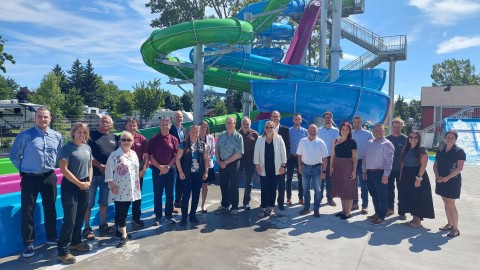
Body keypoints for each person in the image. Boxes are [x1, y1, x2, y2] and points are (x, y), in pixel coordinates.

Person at [9, 107, 63, 258]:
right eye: (40, 117)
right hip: (30, 178)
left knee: (50, 208)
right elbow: (14, 155)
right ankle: (29, 244)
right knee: (28, 210)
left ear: (50, 119)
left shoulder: (57, 136)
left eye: (45, 117)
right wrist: (24, 169)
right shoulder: (25, 136)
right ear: (35, 118)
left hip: (49, 176)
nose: (43, 119)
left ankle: (51, 238)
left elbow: (58, 154)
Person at [57, 122, 92, 264]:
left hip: (84, 186)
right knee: (69, 219)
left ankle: (76, 241)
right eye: (79, 132)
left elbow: (90, 165)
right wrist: (79, 183)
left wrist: (88, 180)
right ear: (73, 133)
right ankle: (63, 251)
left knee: (79, 217)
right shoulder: (67, 148)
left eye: (84, 132)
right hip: (71, 187)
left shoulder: (87, 147)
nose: (82, 135)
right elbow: (63, 169)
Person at [84, 115, 118, 240]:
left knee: (104, 202)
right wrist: (99, 165)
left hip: (107, 176)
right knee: (88, 203)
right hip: (92, 175)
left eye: (107, 122)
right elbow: (87, 154)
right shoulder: (91, 136)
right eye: (102, 121)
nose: (104, 123)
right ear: (99, 123)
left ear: (111, 124)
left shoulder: (114, 137)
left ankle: (102, 224)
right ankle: (87, 228)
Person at [105, 131, 141, 248]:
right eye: (124, 140)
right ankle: (124, 235)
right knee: (121, 211)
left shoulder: (134, 154)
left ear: (132, 142)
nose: (126, 142)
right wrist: (112, 185)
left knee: (124, 211)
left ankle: (119, 230)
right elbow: (108, 171)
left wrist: (136, 186)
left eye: (128, 140)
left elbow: (135, 171)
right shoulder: (115, 155)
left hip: (131, 189)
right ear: (120, 141)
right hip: (119, 188)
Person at [399, 130, 435, 228]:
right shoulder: (406, 148)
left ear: (418, 139)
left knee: (417, 198)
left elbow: (423, 165)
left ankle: (418, 221)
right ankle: (414, 219)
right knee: (410, 198)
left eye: (415, 137)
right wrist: (401, 176)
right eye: (411, 137)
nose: (413, 139)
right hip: (406, 175)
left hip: (417, 175)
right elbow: (402, 163)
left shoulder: (421, 149)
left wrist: (418, 178)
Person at [176, 125, 210, 226]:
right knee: (186, 196)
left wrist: (206, 171)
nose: (195, 134)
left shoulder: (203, 145)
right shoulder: (183, 145)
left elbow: (206, 159)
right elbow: (177, 159)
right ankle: (183, 217)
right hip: (187, 175)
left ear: (199, 133)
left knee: (196, 195)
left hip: (198, 175)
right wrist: (181, 172)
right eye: (193, 132)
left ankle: (193, 215)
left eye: (197, 132)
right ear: (189, 132)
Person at [434, 130, 466, 237]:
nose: (449, 139)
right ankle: (449, 224)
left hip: (452, 181)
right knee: (445, 202)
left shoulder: (459, 151)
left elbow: (459, 168)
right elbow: (435, 165)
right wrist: (438, 177)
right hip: (441, 180)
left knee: (451, 204)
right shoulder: (441, 150)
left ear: (455, 139)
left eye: (451, 138)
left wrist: (447, 178)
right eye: (447, 137)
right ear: (445, 138)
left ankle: (455, 228)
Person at [362, 123, 395, 225]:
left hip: (380, 173)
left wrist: (386, 175)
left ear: (383, 131)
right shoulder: (369, 143)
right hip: (370, 173)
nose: (377, 133)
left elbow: (389, 161)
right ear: (373, 131)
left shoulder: (387, 144)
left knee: (382, 196)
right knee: (373, 194)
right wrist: (364, 170)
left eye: (380, 130)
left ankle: (381, 216)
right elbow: (365, 157)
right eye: (375, 130)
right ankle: (377, 213)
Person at [254, 121, 287, 218]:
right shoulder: (260, 139)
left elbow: (283, 154)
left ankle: (271, 208)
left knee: (273, 189)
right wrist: (257, 167)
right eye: (267, 127)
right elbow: (256, 155)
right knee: (264, 189)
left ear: (273, 128)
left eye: (271, 127)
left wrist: (282, 166)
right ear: (265, 128)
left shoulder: (279, 139)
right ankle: (264, 209)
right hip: (264, 169)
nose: (269, 129)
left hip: (275, 169)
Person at [149, 117, 179, 225]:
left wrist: (168, 167)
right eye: (162, 124)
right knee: (158, 194)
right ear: (159, 125)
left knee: (170, 193)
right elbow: (151, 157)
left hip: (171, 171)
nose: (165, 126)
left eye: (167, 124)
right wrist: (160, 167)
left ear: (170, 126)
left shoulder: (174, 139)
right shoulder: (153, 139)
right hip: (157, 171)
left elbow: (176, 156)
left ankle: (169, 216)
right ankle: (158, 217)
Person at [214, 116, 244, 219]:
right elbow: (216, 149)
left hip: (233, 164)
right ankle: (225, 204)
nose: (228, 124)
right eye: (227, 123)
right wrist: (219, 161)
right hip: (222, 163)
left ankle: (235, 207)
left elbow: (239, 153)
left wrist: (226, 162)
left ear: (235, 124)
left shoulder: (238, 137)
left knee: (234, 186)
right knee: (223, 185)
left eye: (231, 123)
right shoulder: (221, 135)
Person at [297, 124, 328, 218]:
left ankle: (316, 209)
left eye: (314, 130)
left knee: (317, 190)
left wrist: (324, 171)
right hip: (305, 168)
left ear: (317, 131)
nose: (312, 132)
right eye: (310, 130)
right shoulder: (302, 141)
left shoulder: (321, 142)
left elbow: (325, 159)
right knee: (305, 189)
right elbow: (299, 155)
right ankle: (307, 208)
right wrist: (299, 166)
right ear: (308, 131)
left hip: (317, 169)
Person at [331, 122, 358, 219]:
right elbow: (333, 155)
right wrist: (331, 167)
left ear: (350, 131)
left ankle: (348, 213)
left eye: (347, 129)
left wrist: (354, 171)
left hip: (348, 166)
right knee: (342, 188)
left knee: (348, 189)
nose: (344, 131)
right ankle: (343, 210)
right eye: (343, 129)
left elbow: (355, 157)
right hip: (337, 166)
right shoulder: (335, 141)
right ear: (340, 130)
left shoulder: (352, 142)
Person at [126, 118, 149, 228]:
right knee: (124, 196)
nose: (132, 127)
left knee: (137, 195)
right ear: (126, 126)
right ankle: (120, 220)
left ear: (137, 127)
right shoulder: (121, 138)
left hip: (138, 170)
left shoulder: (142, 139)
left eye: (134, 125)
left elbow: (146, 156)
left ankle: (136, 218)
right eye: (130, 125)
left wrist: (144, 169)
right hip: (124, 172)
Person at [386, 118, 408, 219]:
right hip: (389, 170)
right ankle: (390, 209)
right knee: (389, 190)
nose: (396, 129)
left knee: (402, 190)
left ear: (401, 127)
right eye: (394, 127)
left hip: (401, 170)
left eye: (398, 127)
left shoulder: (406, 139)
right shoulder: (386, 139)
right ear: (392, 127)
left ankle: (402, 212)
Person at [351, 116, 373, 214]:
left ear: (362, 123)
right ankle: (355, 203)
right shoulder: (349, 134)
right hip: (351, 162)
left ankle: (365, 206)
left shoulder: (368, 134)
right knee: (353, 184)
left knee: (364, 184)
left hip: (363, 162)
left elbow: (372, 147)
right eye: (355, 122)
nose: (356, 124)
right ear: (353, 123)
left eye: (358, 122)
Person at [317, 111, 339, 206]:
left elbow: (338, 145)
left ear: (332, 119)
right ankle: (319, 198)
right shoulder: (318, 130)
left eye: (329, 117)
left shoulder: (336, 131)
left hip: (331, 157)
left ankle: (330, 198)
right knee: (320, 178)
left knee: (330, 179)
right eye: (326, 117)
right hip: (320, 157)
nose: (327, 119)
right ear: (323, 118)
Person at [270, 110, 291, 210]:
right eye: (273, 116)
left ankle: (281, 203)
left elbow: (288, 147)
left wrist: (284, 163)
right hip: (270, 163)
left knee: (281, 185)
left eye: (277, 116)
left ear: (280, 118)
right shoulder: (267, 130)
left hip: (281, 163)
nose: (275, 118)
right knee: (271, 185)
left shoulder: (285, 130)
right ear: (271, 118)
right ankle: (271, 203)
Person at [238, 116, 259, 210]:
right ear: (241, 124)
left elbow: (259, 148)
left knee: (249, 182)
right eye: (244, 123)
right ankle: (233, 201)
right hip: (239, 160)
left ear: (250, 124)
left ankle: (246, 202)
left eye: (247, 124)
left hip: (251, 161)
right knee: (235, 181)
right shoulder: (237, 134)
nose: (245, 125)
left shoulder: (255, 134)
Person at [287, 114, 308, 205]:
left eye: (299, 119)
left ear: (301, 121)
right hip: (291, 156)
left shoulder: (305, 132)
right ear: (293, 120)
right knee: (289, 178)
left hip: (301, 157)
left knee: (301, 178)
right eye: (295, 119)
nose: (297, 120)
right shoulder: (288, 131)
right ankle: (288, 198)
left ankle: (301, 197)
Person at [198, 121, 216, 213]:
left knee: (205, 185)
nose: (203, 128)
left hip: (208, 164)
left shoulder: (210, 138)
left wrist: (207, 157)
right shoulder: (195, 137)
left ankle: (203, 205)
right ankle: (194, 204)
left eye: (205, 127)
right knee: (196, 186)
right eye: (201, 127)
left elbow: (213, 150)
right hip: (196, 166)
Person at [170, 111, 185, 211]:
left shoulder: (185, 130)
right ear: (173, 118)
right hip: (173, 158)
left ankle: (178, 201)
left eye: (180, 116)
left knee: (180, 180)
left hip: (183, 159)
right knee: (171, 182)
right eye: (177, 117)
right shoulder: (170, 129)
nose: (179, 118)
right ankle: (170, 205)